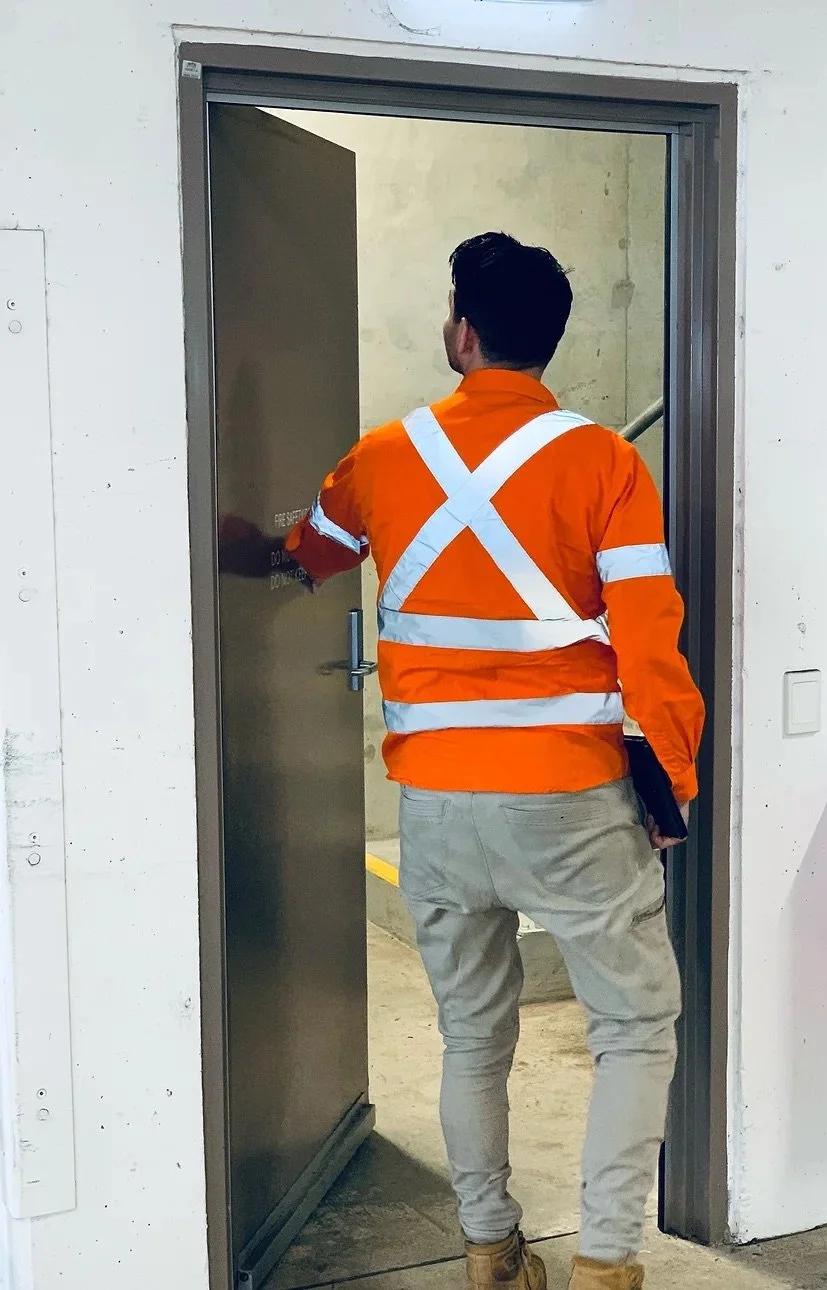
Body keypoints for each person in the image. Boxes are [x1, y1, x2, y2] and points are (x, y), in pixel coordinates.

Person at [239, 232, 704, 1290]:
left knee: (470, 1036)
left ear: (462, 333)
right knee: (634, 1026)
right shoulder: (604, 462)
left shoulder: (382, 456)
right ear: (549, 338)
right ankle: (604, 1265)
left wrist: (240, 540)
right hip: (570, 798)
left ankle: (490, 1250)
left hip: (439, 801)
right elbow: (649, 644)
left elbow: (301, 558)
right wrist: (666, 781)